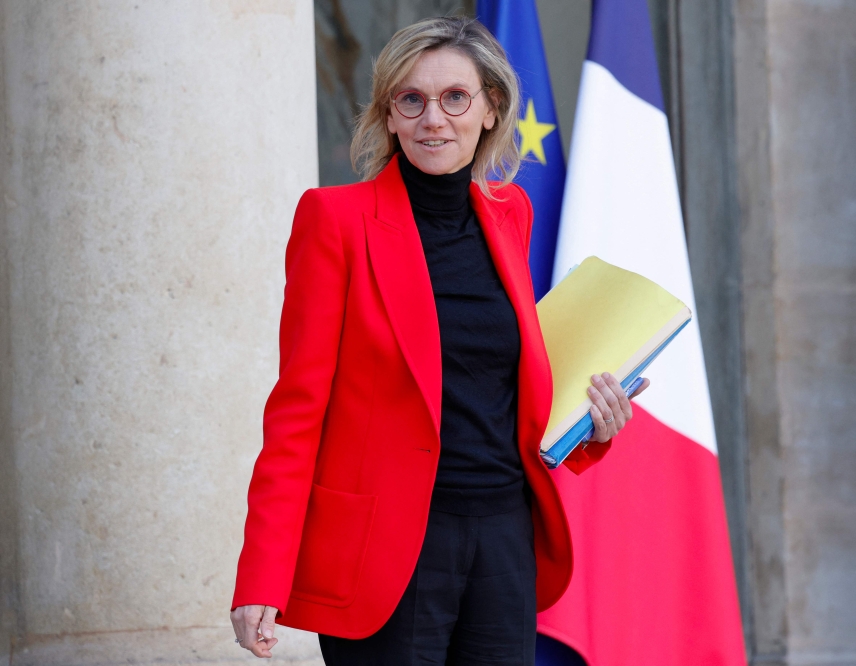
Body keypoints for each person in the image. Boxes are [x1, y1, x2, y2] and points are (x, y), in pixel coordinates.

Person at [230, 16, 648, 665]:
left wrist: (590, 426)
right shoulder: (335, 222)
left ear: (490, 110)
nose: (434, 119)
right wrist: (262, 572)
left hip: (503, 539)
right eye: (412, 99)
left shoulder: (512, 216)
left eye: (456, 97)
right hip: (385, 551)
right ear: (389, 115)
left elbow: (505, 388)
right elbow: (296, 412)